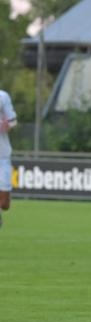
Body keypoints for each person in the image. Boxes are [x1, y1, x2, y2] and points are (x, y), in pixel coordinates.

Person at [0, 89, 18, 229]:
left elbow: (13, 121)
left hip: (2, 157)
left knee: (5, 204)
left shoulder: (3, 96)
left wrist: (7, 125)